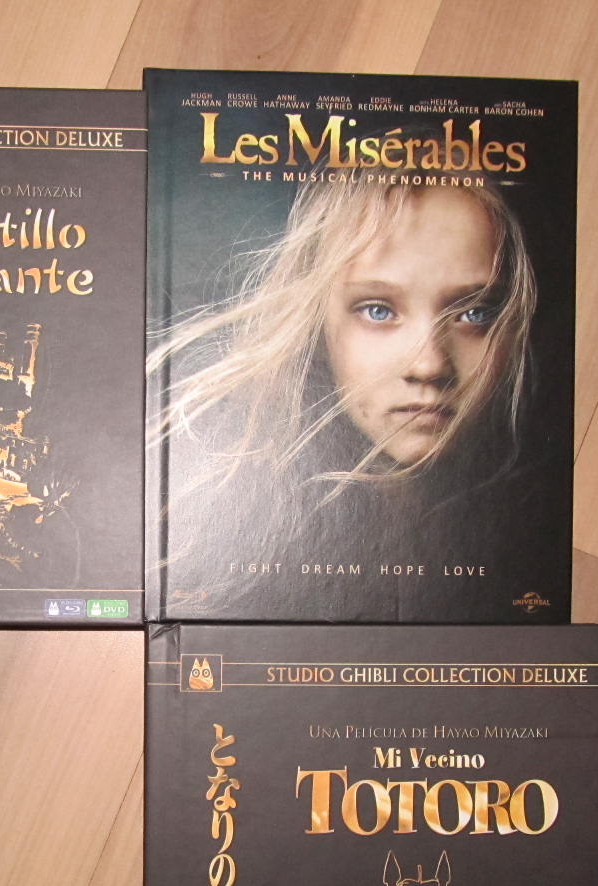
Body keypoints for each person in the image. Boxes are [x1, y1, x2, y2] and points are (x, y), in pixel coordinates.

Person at [149, 175, 542, 617]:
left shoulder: (529, 549)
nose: (430, 365)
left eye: (475, 313)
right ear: (316, 324)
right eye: (378, 310)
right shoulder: (219, 547)